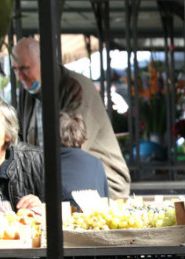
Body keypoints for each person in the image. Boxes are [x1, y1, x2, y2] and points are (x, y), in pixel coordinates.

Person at [12, 37, 131, 198]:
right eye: (15, 69)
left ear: (45, 61)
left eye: (25, 68)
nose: (19, 76)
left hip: (102, 186)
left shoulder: (76, 88)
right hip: (55, 183)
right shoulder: (28, 93)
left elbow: (74, 149)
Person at [58, 111, 110, 204]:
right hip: (93, 216)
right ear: (82, 142)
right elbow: (106, 200)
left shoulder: (42, 163)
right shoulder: (96, 163)